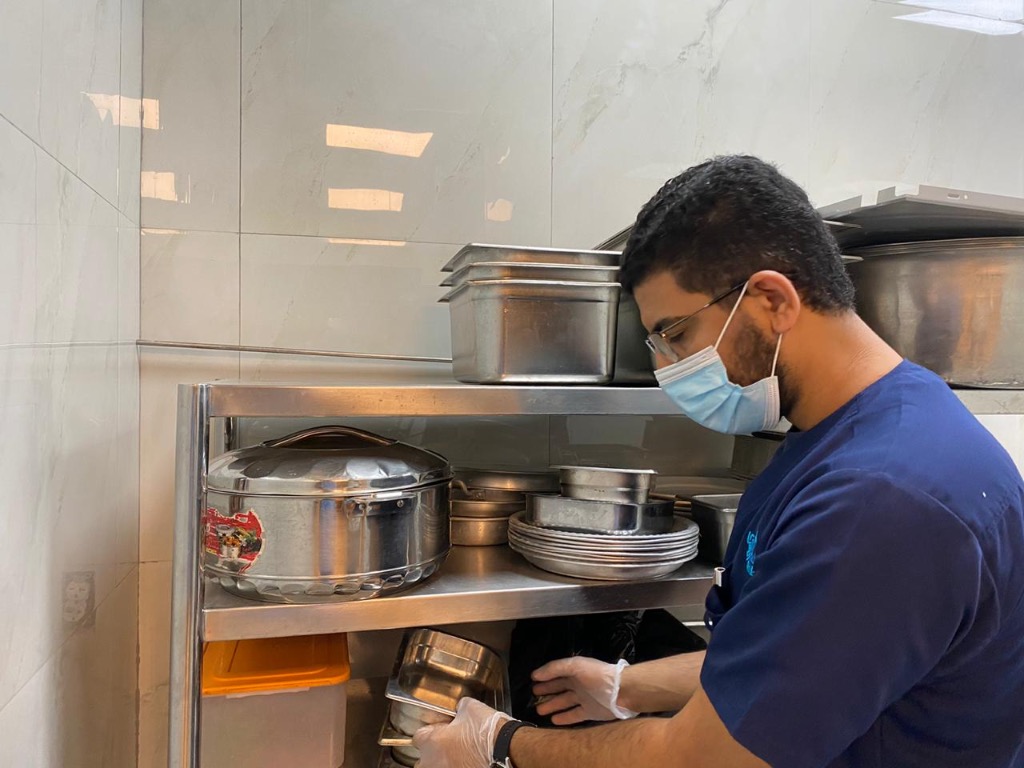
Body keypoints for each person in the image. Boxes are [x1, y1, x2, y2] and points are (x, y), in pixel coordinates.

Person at [413, 156, 1024, 768]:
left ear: (771, 300)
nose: (666, 367)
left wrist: (497, 743)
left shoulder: (880, 501)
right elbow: (797, 651)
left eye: (675, 333)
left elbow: (702, 758)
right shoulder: (863, 424)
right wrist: (628, 687)